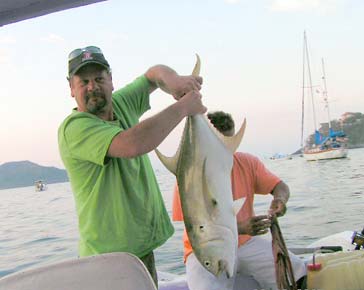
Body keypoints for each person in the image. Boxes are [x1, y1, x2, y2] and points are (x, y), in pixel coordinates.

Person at [58, 46, 207, 287]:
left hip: (141, 253)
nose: (92, 86)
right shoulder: (74, 128)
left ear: (111, 80)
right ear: (71, 88)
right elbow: (132, 144)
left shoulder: (121, 103)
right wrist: (184, 107)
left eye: (99, 78)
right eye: (83, 81)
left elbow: (153, 75)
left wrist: (175, 81)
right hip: (107, 262)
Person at [172, 111, 307, 290]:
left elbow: (280, 186)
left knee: (296, 271)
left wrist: (280, 200)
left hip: (245, 243)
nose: (230, 149)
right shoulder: (191, 178)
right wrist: (241, 227)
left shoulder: (246, 162)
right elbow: (197, 227)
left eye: (232, 142)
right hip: (206, 250)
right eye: (223, 143)